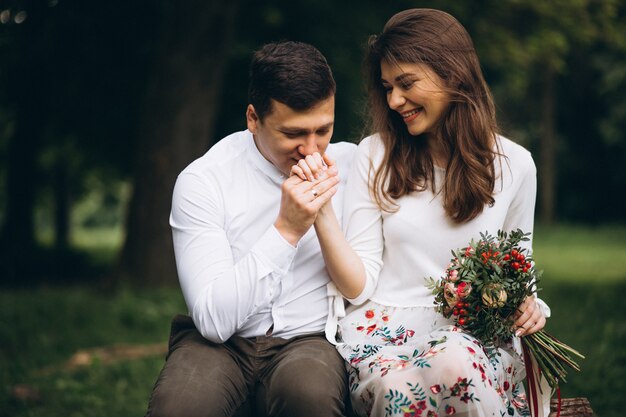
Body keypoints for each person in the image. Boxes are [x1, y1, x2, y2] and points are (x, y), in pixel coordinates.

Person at [290, 9, 552, 417]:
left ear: (452, 73)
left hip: (474, 337)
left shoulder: (516, 166)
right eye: (388, 87)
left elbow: (519, 269)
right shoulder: (376, 155)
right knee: (398, 385)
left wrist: (531, 306)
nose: (394, 101)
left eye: (406, 83)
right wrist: (322, 213)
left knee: (454, 357)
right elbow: (357, 287)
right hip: (385, 336)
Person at [145, 41, 356, 417]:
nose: (311, 150)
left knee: (309, 397)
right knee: (179, 407)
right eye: (293, 134)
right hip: (221, 344)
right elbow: (212, 322)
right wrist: (287, 230)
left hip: (308, 340)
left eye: (323, 130)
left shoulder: (352, 166)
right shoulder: (204, 181)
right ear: (253, 119)